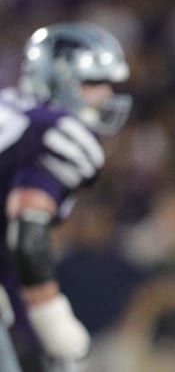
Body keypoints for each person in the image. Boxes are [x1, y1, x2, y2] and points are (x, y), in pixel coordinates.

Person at [0, 22, 132, 370]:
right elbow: (26, 238)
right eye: (93, 82)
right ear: (58, 79)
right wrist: (56, 327)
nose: (105, 94)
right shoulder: (56, 131)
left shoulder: (13, 109)